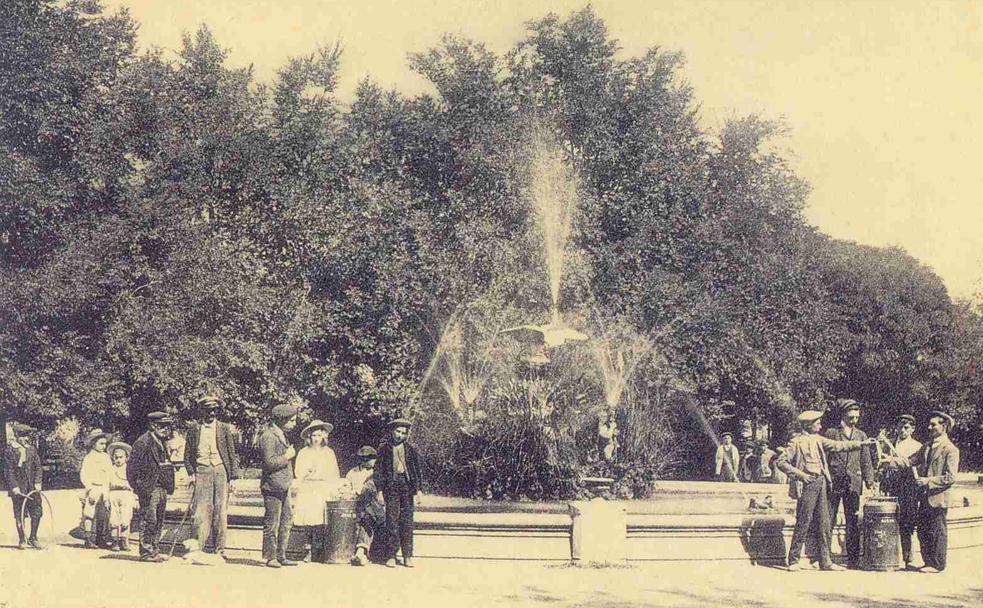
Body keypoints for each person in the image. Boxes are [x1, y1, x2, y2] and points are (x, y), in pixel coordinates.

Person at [775, 409, 877, 571]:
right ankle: (793, 560)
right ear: (809, 425)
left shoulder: (818, 439)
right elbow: (781, 462)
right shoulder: (796, 442)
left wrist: (861, 444)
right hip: (808, 483)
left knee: (825, 522)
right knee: (804, 520)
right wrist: (801, 475)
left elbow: (838, 446)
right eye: (817, 423)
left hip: (822, 482)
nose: (820, 425)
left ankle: (825, 561)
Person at [883, 410, 960, 573]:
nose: (929, 427)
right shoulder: (926, 446)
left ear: (944, 426)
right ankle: (928, 562)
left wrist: (928, 481)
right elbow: (910, 461)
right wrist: (891, 461)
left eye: (934, 424)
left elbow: (950, 477)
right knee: (924, 529)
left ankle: (938, 564)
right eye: (930, 424)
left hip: (937, 496)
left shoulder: (950, 449)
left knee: (937, 530)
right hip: (924, 496)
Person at [183, 394, 241, 559]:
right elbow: (187, 456)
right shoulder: (194, 429)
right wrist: (190, 473)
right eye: (208, 411)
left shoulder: (224, 428)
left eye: (214, 411)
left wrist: (234, 477)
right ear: (202, 411)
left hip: (220, 470)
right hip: (202, 470)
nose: (211, 414)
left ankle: (220, 550)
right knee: (200, 511)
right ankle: (196, 548)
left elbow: (231, 453)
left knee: (220, 510)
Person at [824, 399, 875, 569]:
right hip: (834, 481)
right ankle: (825, 557)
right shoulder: (831, 433)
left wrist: (869, 480)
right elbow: (825, 457)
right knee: (828, 519)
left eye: (856, 417)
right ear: (843, 414)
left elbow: (865, 459)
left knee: (852, 520)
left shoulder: (861, 435)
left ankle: (853, 560)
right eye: (851, 416)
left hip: (853, 483)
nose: (854, 420)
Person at [127, 411, 177, 563]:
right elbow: (131, 469)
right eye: (162, 426)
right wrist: (140, 487)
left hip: (162, 487)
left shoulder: (162, 442)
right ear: (153, 425)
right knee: (149, 520)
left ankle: (154, 550)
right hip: (149, 488)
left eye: (167, 426)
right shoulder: (142, 442)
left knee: (158, 521)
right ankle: (146, 552)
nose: (166, 429)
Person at [376, 418, 423, 568]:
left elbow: (417, 471)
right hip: (391, 487)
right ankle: (391, 555)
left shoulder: (410, 449)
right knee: (392, 521)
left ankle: (407, 555)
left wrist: (419, 490)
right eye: (398, 431)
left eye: (403, 433)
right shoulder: (384, 449)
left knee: (407, 521)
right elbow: (378, 471)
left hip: (407, 487)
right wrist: (379, 490)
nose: (400, 435)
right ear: (392, 431)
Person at [292, 419, 341, 561]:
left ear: (324, 437)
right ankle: (307, 549)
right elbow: (298, 471)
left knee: (320, 520)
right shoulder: (303, 453)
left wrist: (333, 487)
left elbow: (334, 472)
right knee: (308, 520)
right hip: (308, 487)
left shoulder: (328, 453)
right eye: (313, 436)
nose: (316, 439)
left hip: (322, 488)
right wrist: (307, 471)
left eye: (319, 436)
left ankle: (317, 549)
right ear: (309, 437)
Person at [259, 400, 299, 568]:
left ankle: (281, 554)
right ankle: (270, 556)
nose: (294, 423)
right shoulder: (268, 436)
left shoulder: (281, 434)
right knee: (272, 523)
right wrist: (288, 456)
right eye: (292, 420)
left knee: (285, 521)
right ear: (282, 419)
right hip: (272, 486)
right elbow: (269, 462)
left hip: (283, 485)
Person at [880, 413, 922, 570]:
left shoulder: (917, 446)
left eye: (906, 428)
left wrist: (895, 461)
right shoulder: (889, 444)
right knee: (889, 520)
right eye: (900, 427)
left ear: (912, 429)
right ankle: (888, 556)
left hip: (908, 487)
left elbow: (914, 465)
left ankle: (908, 558)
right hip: (891, 486)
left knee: (907, 522)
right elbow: (882, 463)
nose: (902, 430)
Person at [3, 423, 44, 550]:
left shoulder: (31, 450)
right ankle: (22, 538)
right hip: (19, 489)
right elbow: (8, 471)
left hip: (33, 488)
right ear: (16, 436)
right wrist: (14, 486)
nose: (25, 438)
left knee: (37, 512)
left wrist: (38, 482)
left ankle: (33, 537)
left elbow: (38, 467)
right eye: (22, 436)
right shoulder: (10, 451)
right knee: (20, 514)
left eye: (27, 435)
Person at [345, 446, 385, 566]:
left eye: (374, 458)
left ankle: (360, 552)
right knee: (365, 516)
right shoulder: (353, 473)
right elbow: (346, 487)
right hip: (356, 505)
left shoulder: (376, 473)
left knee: (367, 517)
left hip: (372, 506)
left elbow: (379, 494)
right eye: (371, 458)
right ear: (363, 460)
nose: (374, 461)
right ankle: (359, 553)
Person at [78, 428, 113, 549]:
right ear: (93, 443)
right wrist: (89, 488)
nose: (103, 446)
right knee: (89, 513)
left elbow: (110, 474)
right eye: (101, 443)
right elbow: (84, 474)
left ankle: (100, 538)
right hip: (93, 488)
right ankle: (88, 539)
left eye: (105, 444)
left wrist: (108, 489)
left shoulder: (106, 457)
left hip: (104, 488)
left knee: (103, 514)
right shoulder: (89, 458)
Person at [106, 442, 136, 552]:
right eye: (116, 457)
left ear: (126, 458)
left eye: (121, 457)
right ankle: (115, 541)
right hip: (113, 493)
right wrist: (106, 498)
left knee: (126, 517)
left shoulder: (129, 469)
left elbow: (133, 484)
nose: (118, 460)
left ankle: (124, 540)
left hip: (126, 494)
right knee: (114, 518)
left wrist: (135, 498)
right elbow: (106, 483)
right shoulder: (111, 469)